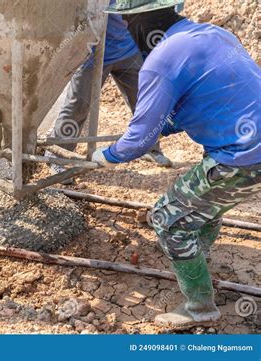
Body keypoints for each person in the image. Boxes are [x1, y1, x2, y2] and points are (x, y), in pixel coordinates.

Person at [92, 0, 260, 329]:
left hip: (242, 156)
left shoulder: (161, 59)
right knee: (203, 205)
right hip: (250, 146)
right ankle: (194, 254)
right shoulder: (214, 34)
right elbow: (211, 94)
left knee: (168, 220)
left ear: (139, 21)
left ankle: (200, 306)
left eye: (127, 23)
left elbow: (138, 141)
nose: (127, 31)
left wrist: (105, 156)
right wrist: (163, 124)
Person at [47, 13, 173, 181]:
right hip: (91, 53)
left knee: (144, 101)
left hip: (127, 49)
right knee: (78, 105)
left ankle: (150, 147)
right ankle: (57, 155)